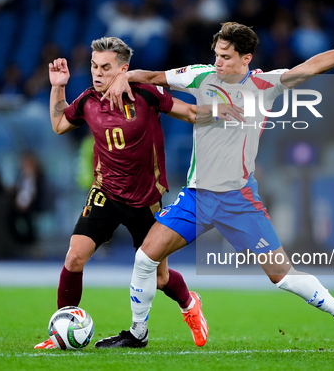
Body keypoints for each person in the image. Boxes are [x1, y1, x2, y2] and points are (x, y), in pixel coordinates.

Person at [96, 22, 334, 351]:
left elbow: (311, 66)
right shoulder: (201, 76)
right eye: (216, 54)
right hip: (197, 198)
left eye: (226, 57)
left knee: (283, 277)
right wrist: (122, 77)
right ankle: (137, 334)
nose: (218, 62)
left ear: (246, 59)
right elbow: (152, 76)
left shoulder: (263, 84)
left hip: (239, 200)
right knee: (145, 258)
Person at [34, 36, 223, 349]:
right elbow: (58, 124)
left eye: (105, 67)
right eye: (94, 66)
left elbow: (190, 113)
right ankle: (61, 331)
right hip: (105, 192)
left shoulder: (146, 95)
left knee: (160, 278)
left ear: (124, 69)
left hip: (145, 200)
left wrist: (224, 110)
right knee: (74, 257)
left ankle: (189, 303)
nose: (97, 73)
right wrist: (58, 86)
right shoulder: (87, 100)